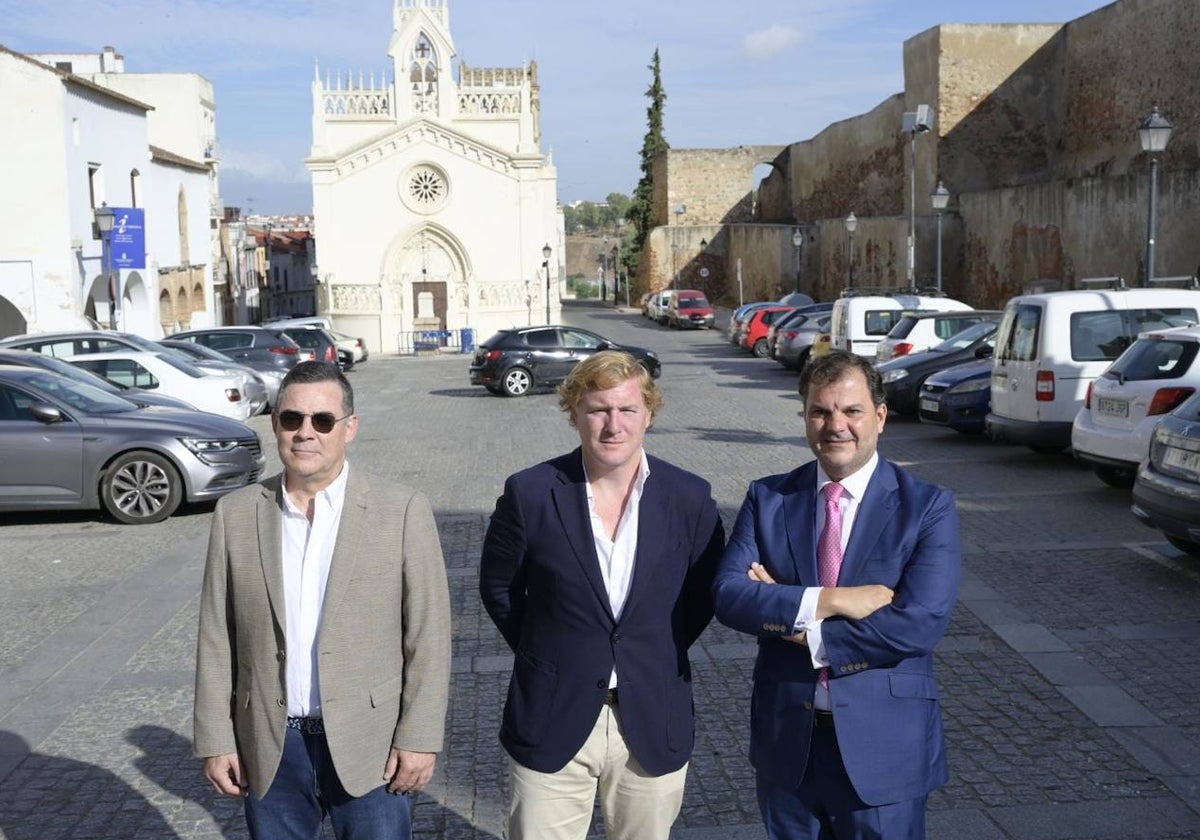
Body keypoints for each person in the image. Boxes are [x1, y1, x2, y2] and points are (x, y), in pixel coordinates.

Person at [193, 360, 451, 839]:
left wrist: (419, 737)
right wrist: (215, 737)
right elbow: (215, 636)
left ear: (349, 428)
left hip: (369, 743)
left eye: (322, 420)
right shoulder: (236, 513)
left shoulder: (401, 509)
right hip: (270, 745)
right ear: (276, 425)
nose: (305, 433)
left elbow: (428, 635)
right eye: (292, 419)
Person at [713, 350, 961, 840]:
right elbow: (729, 595)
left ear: (880, 417)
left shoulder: (928, 506)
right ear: (805, 417)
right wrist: (833, 600)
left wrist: (797, 623)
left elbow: (920, 622)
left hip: (885, 748)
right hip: (790, 748)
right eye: (820, 411)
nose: (836, 425)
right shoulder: (768, 498)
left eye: (852, 411)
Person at [479, 350, 725, 840]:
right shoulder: (530, 493)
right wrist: (552, 651)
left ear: (648, 414)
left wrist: (648, 651)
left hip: (652, 716)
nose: (613, 425)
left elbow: (701, 597)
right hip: (552, 713)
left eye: (627, 410)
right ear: (575, 414)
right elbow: (499, 588)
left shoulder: (689, 498)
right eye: (598, 410)